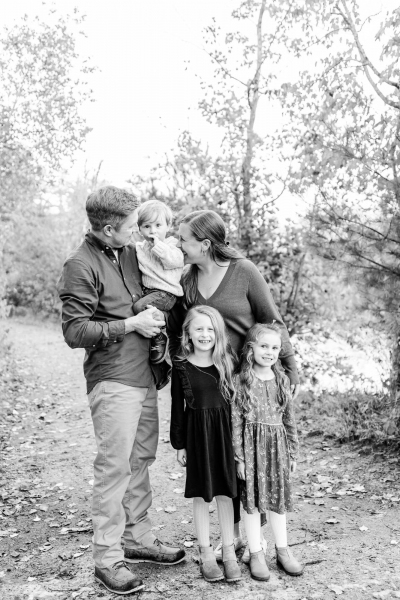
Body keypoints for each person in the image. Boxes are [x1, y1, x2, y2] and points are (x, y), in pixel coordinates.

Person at [57, 186, 185, 596]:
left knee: (141, 458)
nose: (138, 232)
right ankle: (108, 558)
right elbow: (75, 331)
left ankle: (138, 538)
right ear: (109, 229)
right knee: (115, 467)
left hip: (145, 375)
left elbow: (168, 271)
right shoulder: (79, 265)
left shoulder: (131, 252)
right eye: (132, 227)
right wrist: (130, 325)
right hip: (112, 378)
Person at [167, 209, 300, 561]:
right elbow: (179, 329)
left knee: (248, 456)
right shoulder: (186, 279)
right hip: (211, 382)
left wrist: (290, 365)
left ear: (206, 244)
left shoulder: (244, 272)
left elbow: (272, 319)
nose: (178, 244)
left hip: (246, 381)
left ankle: (256, 540)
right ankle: (238, 538)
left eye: (183, 239)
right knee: (229, 458)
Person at [170, 306, 242, 583]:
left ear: (218, 333)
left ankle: (228, 550)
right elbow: (178, 407)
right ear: (188, 332)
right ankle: (205, 552)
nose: (205, 334)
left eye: (210, 329)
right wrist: (179, 444)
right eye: (199, 328)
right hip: (197, 436)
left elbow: (239, 405)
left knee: (226, 492)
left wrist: (240, 444)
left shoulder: (227, 362)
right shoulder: (182, 366)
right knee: (201, 494)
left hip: (225, 435)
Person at [232, 323, 303, 581]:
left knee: (277, 501)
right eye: (264, 346)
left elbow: (290, 418)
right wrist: (238, 457)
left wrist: (292, 453)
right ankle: (256, 552)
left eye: (275, 347)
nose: (270, 352)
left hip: (277, 449)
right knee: (251, 503)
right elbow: (236, 421)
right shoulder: (241, 381)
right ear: (251, 348)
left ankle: (283, 551)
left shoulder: (282, 380)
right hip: (251, 451)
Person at [134, 200, 184, 364]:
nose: (152, 231)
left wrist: (159, 246)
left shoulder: (172, 245)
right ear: (140, 229)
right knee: (136, 305)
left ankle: (159, 335)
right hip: (150, 292)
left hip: (166, 293)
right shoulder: (140, 248)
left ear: (168, 226)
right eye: (147, 227)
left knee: (139, 307)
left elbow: (174, 261)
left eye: (158, 225)